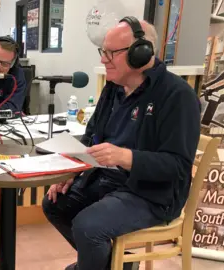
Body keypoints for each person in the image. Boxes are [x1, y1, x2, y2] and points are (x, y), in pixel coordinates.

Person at [42, 17, 200, 270]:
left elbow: (178, 166)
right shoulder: (113, 88)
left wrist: (125, 157)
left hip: (152, 193)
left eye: (111, 53)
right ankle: (116, 265)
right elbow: (92, 135)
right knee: (54, 204)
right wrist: (74, 170)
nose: (103, 59)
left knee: (88, 226)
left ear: (141, 53)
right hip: (108, 180)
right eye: (103, 51)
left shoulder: (177, 96)